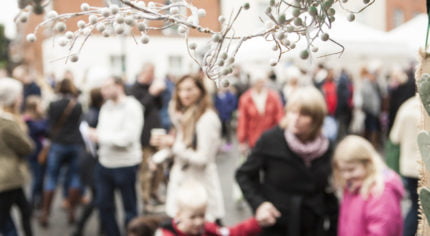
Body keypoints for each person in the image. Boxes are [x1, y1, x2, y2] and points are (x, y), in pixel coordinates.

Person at [236, 86, 338, 236]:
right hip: (277, 224)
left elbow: (329, 190)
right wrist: (259, 204)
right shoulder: (271, 140)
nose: (295, 119)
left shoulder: (326, 147)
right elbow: (244, 175)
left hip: (313, 225)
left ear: (317, 119)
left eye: (304, 114)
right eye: (292, 112)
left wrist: (333, 226)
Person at [151, 75, 225, 223]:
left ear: (201, 91)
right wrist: (161, 154)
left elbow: (203, 159)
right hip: (184, 186)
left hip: (198, 189)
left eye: (189, 89)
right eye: (180, 90)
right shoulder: (186, 115)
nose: (184, 94)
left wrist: (173, 145)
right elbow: (182, 147)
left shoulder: (207, 119)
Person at [88, 76, 143, 236]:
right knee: (104, 206)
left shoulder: (132, 106)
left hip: (125, 165)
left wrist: (100, 136)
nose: (102, 91)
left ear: (119, 86)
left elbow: (128, 138)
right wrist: (94, 134)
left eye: (106, 87)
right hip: (104, 163)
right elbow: (102, 130)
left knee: (129, 209)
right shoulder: (106, 107)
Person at [333, 135, 404, 236]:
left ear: (368, 164)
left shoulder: (381, 193)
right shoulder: (353, 187)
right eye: (342, 170)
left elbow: (382, 231)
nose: (346, 176)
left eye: (351, 170)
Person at [39, 78, 83, 227]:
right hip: (75, 144)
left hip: (58, 144)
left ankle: (45, 213)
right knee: (75, 178)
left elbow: (50, 124)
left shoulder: (53, 104)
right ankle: (72, 211)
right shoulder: (77, 105)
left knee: (51, 178)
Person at [154, 180, 262, 236]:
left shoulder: (206, 228)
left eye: (202, 215)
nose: (198, 221)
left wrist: (257, 222)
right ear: (178, 215)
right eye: (192, 217)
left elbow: (229, 233)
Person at [129, 63, 165, 213]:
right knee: (146, 169)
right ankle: (145, 200)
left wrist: (158, 93)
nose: (153, 75)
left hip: (157, 132)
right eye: (151, 72)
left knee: (160, 166)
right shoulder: (133, 89)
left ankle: (154, 192)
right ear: (144, 72)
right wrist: (151, 92)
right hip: (143, 136)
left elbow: (159, 106)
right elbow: (138, 109)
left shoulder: (150, 88)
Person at [0, 78, 34, 236]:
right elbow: (27, 147)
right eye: (19, 95)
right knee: (6, 222)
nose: (21, 98)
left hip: (8, 177)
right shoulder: (6, 122)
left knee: (24, 211)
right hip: (7, 178)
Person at [389, 96, 421, 236]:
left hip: (409, 167)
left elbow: (395, 137)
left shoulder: (406, 107)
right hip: (424, 168)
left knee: (415, 206)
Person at [236, 69, 284, 154]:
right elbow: (243, 120)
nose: (261, 84)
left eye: (262, 81)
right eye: (258, 81)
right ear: (253, 83)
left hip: (271, 137)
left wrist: (281, 134)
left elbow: (279, 116)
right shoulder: (245, 98)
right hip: (254, 138)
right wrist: (242, 140)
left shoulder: (273, 96)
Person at [23, 95, 48, 209]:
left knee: (41, 179)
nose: (42, 107)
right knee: (37, 180)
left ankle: (40, 201)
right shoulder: (28, 121)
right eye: (40, 105)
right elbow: (41, 129)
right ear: (34, 108)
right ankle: (31, 203)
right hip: (34, 155)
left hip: (43, 153)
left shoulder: (41, 119)